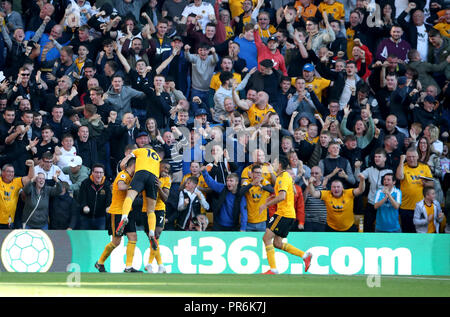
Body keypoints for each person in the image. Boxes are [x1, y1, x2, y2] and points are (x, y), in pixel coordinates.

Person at [258, 157, 312, 274]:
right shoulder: (284, 177)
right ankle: (305, 255)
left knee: (266, 238)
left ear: (280, 165)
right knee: (277, 243)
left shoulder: (283, 177)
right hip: (287, 214)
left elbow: (282, 196)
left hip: (283, 214)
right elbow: (288, 194)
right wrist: (273, 196)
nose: (273, 164)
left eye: (275, 162)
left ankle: (273, 269)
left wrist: (266, 204)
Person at [95, 157, 140, 273]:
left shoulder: (131, 177)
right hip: (117, 212)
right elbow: (121, 186)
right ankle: (100, 263)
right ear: (133, 165)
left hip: (128, 211)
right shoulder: (123, 175)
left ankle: (128, 267)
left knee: (133, 237)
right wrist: (133, 187)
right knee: (116, 241)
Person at [117, 144, 162, 251]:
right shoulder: (158, 157)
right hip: (154, 178)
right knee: (151, 210)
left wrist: (124, 168)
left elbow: (123, 164)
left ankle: (124, 218)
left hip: (141, 173)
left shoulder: (139, 151)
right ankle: (151, 232)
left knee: (130, 196)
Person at [396, 147, 434, 233]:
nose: (411, 159)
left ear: (417, 157)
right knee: (407, 233)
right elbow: (399, 177)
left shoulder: (424, 167)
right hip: (405, 207)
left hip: (420, 207)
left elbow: (432, 184)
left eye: (413, 156)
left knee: (421, 233)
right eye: (409, 157)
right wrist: (402, 161)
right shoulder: (403, 167)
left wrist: (426, 184)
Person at [146, 160, 171, 273]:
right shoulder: (150, 175)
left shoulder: (166, 180)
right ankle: (159, 265)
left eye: (168, 169)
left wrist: (159, 188)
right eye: (164, 167)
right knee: (153, 238)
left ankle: (151, 264)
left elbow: (165, 198)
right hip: (147, 209)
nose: (166, 171)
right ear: (159, 166)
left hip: (160, 209)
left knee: (156, 235)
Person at [0, 160, 34, 229]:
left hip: (9, 221)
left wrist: (31, 166)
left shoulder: (16, 182)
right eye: (8, 171)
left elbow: (29, 178)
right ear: (2, 172)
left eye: (12, 172)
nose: (11, 174)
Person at [240, 164, 274, 231]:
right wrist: (252, 183)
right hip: (249, 222)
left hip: (262, 221)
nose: (258, 174)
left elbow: (271, 190)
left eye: (260, 173)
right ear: (252, 174)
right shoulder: (247, 182)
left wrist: (261, 185)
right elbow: (240, 192)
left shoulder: (264, 182)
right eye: (256, 172)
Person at [78, 163, 112, 230]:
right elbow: (81, 197)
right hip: (86, 217)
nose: (98, 175)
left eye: (100, 172)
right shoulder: (85, 183)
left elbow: (109, 198)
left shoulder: (107, 185)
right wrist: (84, 206)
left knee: (100, 237)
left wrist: (108, 206)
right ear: (92, 173)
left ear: (103, 173)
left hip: (101, 217)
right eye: (96, 172)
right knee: (85, 236)